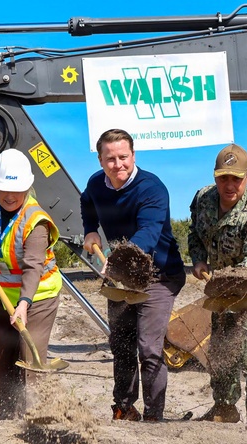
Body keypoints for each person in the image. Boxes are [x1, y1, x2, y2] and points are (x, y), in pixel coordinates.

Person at [80, 129, 186, 422]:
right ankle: (124, 408)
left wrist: (117, 262)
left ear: (134, 155)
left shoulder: (151, 189)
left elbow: (148, 234)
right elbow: (87, 202)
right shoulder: (95, 184)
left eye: (123, 157)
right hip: (121, 276)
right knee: (121, 343)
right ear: (101, 160)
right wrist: (90, 229)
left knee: (149, 346)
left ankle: (154, 416)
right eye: (111, 159)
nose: (118, 164)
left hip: (160, 275)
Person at [188, 144, 247, 425]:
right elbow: (194, 232)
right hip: (222, 292)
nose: (229, 185)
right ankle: (225, 409)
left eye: (236, 179)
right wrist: (198, 259)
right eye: (223, 178)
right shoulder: (203, 199)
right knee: (221, 354)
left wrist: (227, 282)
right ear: (215, 175)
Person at [0, 148, 62, 420]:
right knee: (5, 361)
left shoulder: (36, 221)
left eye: (17, 190)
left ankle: (35, 419)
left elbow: (33, 266)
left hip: (38, 298)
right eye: (3, 190)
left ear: (27, 187)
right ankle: (7, 420)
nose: (10, 196)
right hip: (0, 295)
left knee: (30, 362)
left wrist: (24, 304)